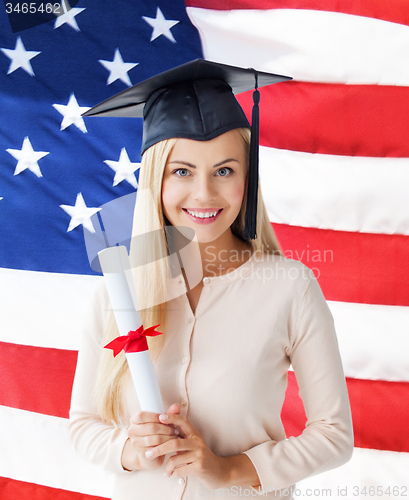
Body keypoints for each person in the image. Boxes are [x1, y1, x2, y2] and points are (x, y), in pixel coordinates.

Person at [69, 60, 354, 500]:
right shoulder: (117, 289)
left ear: (247, 177)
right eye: (181, 171)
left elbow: (334, 436)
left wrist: (229, 470)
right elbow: (83, 425)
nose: (204, 194)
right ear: (156, 181)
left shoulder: (288, 287)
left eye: (224, 170)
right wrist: (133, 450)